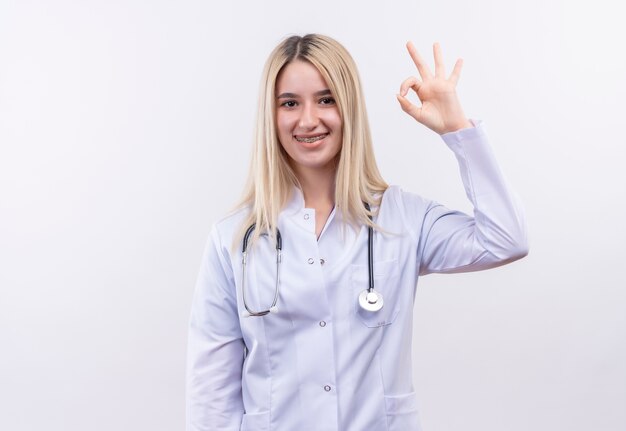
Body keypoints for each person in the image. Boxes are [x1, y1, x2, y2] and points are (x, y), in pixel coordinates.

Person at [186, 34, 528, 431]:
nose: (308, 119)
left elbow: (506, 238)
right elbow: (211, 397)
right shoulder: (234, 239)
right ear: (271, 114)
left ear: (349, 108)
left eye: (326, 99)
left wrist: (457, 128)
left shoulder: (401, 217)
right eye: (290, 103)